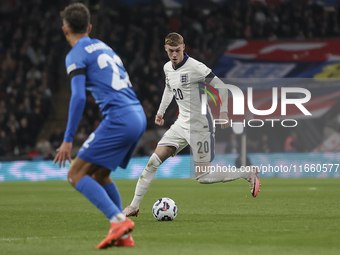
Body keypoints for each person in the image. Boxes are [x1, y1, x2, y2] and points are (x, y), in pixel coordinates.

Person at [123, 33, 260, 217]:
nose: (174, 55)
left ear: (183, 48)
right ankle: (134, 206)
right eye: (171, 51)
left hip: (201, 125)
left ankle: (247, 173)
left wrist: (224, 112)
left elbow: (221, 87)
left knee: (203, 177)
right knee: (153, 162)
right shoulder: (167, 68)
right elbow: (169, 89)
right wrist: (161, 112)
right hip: (181, 124)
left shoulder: (196, 67)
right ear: (165, 49)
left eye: (177, 51)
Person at [53, 3, 146, 249]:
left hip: (119, 118)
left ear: (65, 29)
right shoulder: (104, 46)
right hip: (137, 115)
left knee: (75, 174)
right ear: (89, 27)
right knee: (100, 174)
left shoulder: (75, 54)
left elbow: (79, 97)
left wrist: (68, 139)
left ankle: (117, 221)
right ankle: (124, 234)